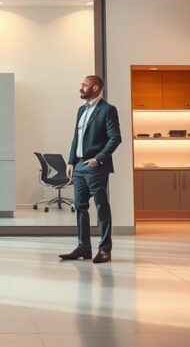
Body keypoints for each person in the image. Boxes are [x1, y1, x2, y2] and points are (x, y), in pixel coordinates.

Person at [59, 75, 121, 264]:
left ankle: (104, 250)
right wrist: (70, 162)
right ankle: (83, 247)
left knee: (102, 207)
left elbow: (115, 137)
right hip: (78, 166)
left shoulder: (108, 110)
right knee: (80, 207)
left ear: (95, 88)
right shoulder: (81, 110)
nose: (81, 88)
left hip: (95, 167)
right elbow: (76, 138)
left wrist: (99, 159)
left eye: (84, 85)